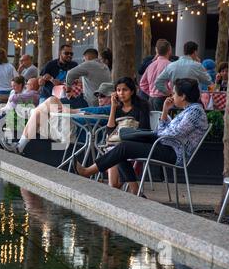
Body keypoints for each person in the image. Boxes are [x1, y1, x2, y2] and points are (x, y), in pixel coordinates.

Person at [76, 78, 208, 196]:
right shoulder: (188, 111)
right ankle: (135, 191)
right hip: (164, 145)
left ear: (183, 96)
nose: (171, 95)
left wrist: (157, 133)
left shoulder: (195, 112)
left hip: (175, 153)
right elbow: (164, 131)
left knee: (124, 147)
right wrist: (165, 111)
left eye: (174, 93)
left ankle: (88, 171)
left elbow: (172, 133)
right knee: (121, 145)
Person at [2, 82, 116, 155]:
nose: (99, 98)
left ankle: (31, 116)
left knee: (51, 101)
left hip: (76, 132)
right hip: (69, 127)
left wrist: (68, 111)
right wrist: (68, 111)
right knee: (38, 114)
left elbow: (81, 112)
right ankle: (19, 147)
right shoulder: (102, 109)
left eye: (103, 95)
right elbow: (81, 111)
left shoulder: (109, 109)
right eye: (98, 96)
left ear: (112, 97)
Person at [139, 39, 173, 111]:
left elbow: (142, 83)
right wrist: (170, 92)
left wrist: (151, 92)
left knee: (153, 120)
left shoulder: (151, 65)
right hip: (165, 98)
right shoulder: (170, 65)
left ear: (156, 50)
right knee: (164, 120)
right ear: (169, 50)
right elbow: (171, 83)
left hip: (151, 98)